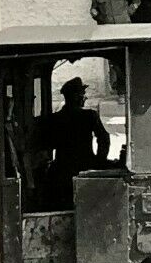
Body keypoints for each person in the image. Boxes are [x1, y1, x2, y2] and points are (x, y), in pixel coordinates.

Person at [39, 77, 114, 209]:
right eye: (82, 94)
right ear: (75, 97)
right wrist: (99, 161)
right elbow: (104, 139)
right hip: (86, 169)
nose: (84, 98)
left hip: (61, 173)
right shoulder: (90, 116)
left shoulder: (55, 119)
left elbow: (46, 144)